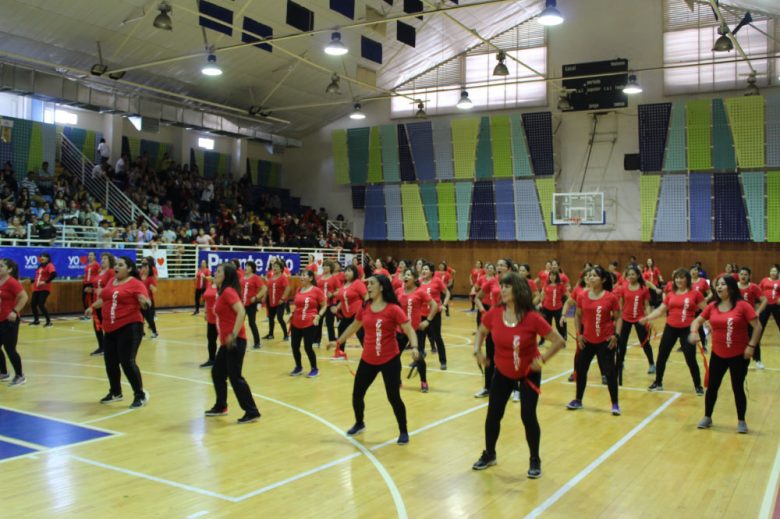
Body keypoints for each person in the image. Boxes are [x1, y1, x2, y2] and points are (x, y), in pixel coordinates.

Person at [472, 272, 565, 477]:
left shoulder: (532, 318)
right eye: (501, 286)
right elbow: (481, 330)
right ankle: (490, 454)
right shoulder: (495, 313)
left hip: (528, 373)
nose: (502, 290)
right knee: (493, 414)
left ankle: (534, 459)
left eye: (507, 286)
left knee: (528, 416)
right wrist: (477, 350)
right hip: (503, 373)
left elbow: (559, 341)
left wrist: (542, 360)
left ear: (519, 290)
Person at [327, 275, 418, 444]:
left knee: (393, 397)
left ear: (382, 287)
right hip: (368, 359)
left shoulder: (393, 309)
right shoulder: (365, 307)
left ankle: (403, 430)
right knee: (357, 394)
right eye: (367, 284)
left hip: (389, 359)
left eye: (372, 284)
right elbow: (354, 326)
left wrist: (414, 347)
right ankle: (359, 422)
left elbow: (409, 329)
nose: (368, 287)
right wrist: (338, 341)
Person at [689, 275, 762, 434]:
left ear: (730, 287)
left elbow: (757, 327)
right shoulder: (713, 306)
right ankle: (707, 417)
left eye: (722, 284)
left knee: (737, 387)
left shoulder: (743, 306)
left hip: (739, 355)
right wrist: (694, 332)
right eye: (717, 285)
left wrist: (751, 346)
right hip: (718, 354)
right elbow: (696, 321)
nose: (719, 287)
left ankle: (741, 420)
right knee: (712, 387)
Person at [85, 256, 150, 408]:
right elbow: (105, 299)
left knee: (127, 361)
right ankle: (115, 392)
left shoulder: (136, 283)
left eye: (121, 265)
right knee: (110, 362)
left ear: (129, 269)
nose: (117, 267)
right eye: (116, 265)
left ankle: (139, 395)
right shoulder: (111, 281)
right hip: (110, 328)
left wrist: (145, 303)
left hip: (130, 326)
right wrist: (92, 306)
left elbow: (145, 300)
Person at [205, 262, 261, 423]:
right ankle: (221, 405)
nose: (215, 274)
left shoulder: (229, 291)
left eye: (219, 272)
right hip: (226, 342)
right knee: (217, 372)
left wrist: (234, 335)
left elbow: (241, 311)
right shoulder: (222, 292)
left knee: (235, 376)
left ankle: (252, 411)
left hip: (236, 341)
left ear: (227, 276)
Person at [640, 267, 706, 394]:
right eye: (676, 278)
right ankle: (658, 382)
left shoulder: (695, 294)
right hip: (670, 328)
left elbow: (706, 311)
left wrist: (705, 326)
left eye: (682, 277)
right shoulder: (670, 294)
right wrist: (647, 318)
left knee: (690, 358)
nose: (679, 280)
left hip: (687, 329)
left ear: (687, 279)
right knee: (662, 355)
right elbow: (660, 310)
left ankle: (698, 385)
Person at [567, 265, 622, 415]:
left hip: (605, 341)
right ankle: (578, 400)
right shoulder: (582, 296)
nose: (590, 278)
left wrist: (616, 335)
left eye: (594, 276)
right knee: (581, 369)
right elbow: (577, 315)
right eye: (589, 275)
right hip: (587, 341)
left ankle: (615, 404)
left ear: (603, 279)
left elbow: (618, 318)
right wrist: (578, 334)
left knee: (610, 372)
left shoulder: (610, 297)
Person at [397, 269, 437, 393]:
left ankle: (423, 381)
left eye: (409, 274)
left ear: (415, 279)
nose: (406, 276)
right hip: (400, 330)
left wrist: (428, 321)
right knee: (394, 357)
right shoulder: (398, 291)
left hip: (416, 330)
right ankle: (397, 381)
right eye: (405, 274)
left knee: (418, 357)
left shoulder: (420, 292)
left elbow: (434, 305)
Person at [614, 265, 655, 384]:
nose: (630, 276)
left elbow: (647, 304)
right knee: (622, 342)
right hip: (625, 318)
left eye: (633, 274)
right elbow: (620, 304)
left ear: (638, 275)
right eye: (629, 274)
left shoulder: (643, 289)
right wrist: (618, 318)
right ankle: (620, 363)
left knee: (645, 342)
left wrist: (648, 318)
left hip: (640, 319)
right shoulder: (623, 288)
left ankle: (652, 363)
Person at [288, 270, 326, 377]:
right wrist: (292, 315)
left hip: (310, 322)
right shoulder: (299, 290)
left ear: (310, 278)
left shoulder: (316, 291)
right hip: (296, 322)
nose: (301, 277)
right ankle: (298, 367)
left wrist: (319, 315)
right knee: (294, 346)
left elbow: (324, 305)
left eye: (304, 275)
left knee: (308, 347)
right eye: (301, 274)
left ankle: (315, 368)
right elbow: (297, 305)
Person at [0, 259, 29, 386]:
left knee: (10, 349)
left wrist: (14, 311)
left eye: (1, 266)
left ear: (9, 269)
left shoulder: (12, 282)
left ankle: (20, 375)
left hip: (9, 320)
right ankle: (4, 373)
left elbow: (24, 297)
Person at [419, 262, 451, 370]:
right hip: (421, 314)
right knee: (420, 338)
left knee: (437, 337)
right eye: (423, 269)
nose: (424, 271)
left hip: (434, 314)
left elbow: (447, 293)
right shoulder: (419, 282)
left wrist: (444, 305)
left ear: (432, 272)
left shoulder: (437, 281)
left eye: (426, 269)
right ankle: (419, 361)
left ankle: (443, 361)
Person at [331, 264, 368, 359]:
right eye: (346, 270)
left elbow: (366, 297)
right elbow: (343, 300)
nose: (346, 272)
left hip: (357, 313)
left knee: (361, 334)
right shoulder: (344, 285)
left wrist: (366, 310)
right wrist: (337, 308)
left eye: (349, 271)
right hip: (346, 314)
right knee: (341, 330)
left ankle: (369, 353)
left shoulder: (358, 283)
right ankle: (340, 352)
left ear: (355, 273)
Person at [473, 263, 498, 398]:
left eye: (502, 265)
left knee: (511, 359)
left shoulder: (515, 282)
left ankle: (516, 389)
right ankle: (487, 387)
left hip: (510, 325)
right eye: (497, 265)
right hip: (493, 322)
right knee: (490, 357)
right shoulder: (491, 282)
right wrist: (476, 349)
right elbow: (477, 296)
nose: (497, 267)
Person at [737, 267, 767, 369]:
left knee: (754, 339)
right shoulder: (734, 287)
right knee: (737, 339)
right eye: (741, 274)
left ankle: (757, 360)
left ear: (749, 276)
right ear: (738, 275)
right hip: (736, 318)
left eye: (745, 274)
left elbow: (764, 300)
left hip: (749, 318)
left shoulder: (753, 287)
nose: (743, 276)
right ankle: (736, 359)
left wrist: (758, 311)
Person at [90, 253, 116, 356]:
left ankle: (107, 347)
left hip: (105, 302)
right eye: (102, 258)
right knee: (97, 325)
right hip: (96, 300)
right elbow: (96, 285)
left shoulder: (111, 272)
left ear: (110, 260)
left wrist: (103, 291)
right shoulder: (100, 272)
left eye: (105, 258)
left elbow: (113, 285)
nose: (103, 260)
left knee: (104, 325)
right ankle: (102, 347)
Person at [315, 261, 342, 346]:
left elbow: (339, 290)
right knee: (318, 322)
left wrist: (333, 294)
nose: (325, 267)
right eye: (324, 266)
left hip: (330, 303)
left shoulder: (334, 278)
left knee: (329, 323)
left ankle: (332, 340)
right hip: (320, 304)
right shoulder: (319, 278)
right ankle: (316, 340)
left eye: (327, 266)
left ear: (331, 268)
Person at [758, 265, 780, 365]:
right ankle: (756, 346)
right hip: (765, 305)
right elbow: (758, 290)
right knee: (760, 325)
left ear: (778, 273)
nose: (772, 273)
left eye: (775, 271)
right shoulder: (764, 280)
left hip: (776, 305)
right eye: (771, 271)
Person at [263, 260, 290, 341]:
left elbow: (287, 288)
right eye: (274, 266)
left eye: (277, 267)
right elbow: (267, 288)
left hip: (280, 302)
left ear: (281, 269)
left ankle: (286, 335)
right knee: (271, 318)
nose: (274, 268)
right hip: (272, 302)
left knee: (280, 318)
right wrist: (264, 297)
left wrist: (283, 298)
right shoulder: (271, 278)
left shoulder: (283, 277)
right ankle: (271, 334)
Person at [242, 262, 266, 349]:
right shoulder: (242, 277)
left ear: (252, 268)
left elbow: (264, 288)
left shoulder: (255, 277)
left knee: (252, 323)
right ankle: (239, 341)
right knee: (239, 322)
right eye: (246, 265)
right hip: (241, 304)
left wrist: (256, 297)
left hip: (251, 304)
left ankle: (257, 342)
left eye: (248, 266)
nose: (246, 267)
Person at [540, 270, 569, 343]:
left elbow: (568, 295)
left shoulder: (561, 285)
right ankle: (543, 339)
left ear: (557, 277)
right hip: (546, 308)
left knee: (559, 324)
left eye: (554, 275)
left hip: (558, 308)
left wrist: (568, 303)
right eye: (551, 275)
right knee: (546, 325)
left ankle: (563, 337)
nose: (552, 277)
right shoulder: (546, 284)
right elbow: (542, 295)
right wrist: (541, 303)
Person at [30, 253, 56, 327]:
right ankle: (36, 321)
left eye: (44, 257)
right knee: (33, 304)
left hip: (44, 288)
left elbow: (54, 274)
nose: (42, 258)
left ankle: (48, 322)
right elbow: (39, 277)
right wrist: (32, 281)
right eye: (41, 256)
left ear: (47, 258)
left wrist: (45, 282)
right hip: (36, 288)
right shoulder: (40, 266)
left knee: (41, 304)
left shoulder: (49, 265)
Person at [200, 279, 218, 368]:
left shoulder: (224, 287)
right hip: (210, 317)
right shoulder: (209, 285)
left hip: (220, 317)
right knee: (211, 339)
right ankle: (212, 359)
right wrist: (206, 312)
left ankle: (227, 361)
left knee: (225, 341)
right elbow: (206, 300)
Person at [141, 257, 158, 339]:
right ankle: (142, 332)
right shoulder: (141, 277)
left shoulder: (151, 278)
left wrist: (151, 287)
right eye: (143, 267)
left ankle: (155, 332)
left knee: (149, 318)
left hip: (148, 301)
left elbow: (155, 290)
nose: (143, 269)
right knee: (140, 317)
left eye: (146, 267)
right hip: (141, 301)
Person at [82, 251, 100, 318]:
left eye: (91, 255)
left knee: (91, 299)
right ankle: (86, 313)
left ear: (94, 257)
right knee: (84, 299)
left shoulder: (96, 265)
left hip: (92, 284)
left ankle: (92, 313)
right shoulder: (87, 265)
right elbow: (86, 274)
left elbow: (99, 274)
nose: (90, 256)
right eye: (89, 255)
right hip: (86, 283)